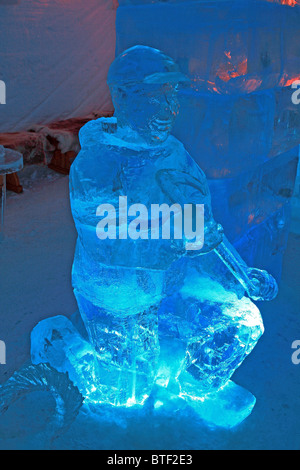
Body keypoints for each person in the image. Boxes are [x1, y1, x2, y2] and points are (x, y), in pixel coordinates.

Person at [70, 46, 277, 408]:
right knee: (127, 393)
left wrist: (241, 276)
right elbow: (103, 240)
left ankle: (192, 388)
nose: (170, 110)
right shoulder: (96, 165)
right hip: (117, 298)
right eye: (154, 97)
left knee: (243, 322)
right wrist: (172, 244)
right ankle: (62, 346)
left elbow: (201, 229)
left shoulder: (174, 154)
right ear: (120, 95)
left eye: (173, 95)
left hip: (168, 284)